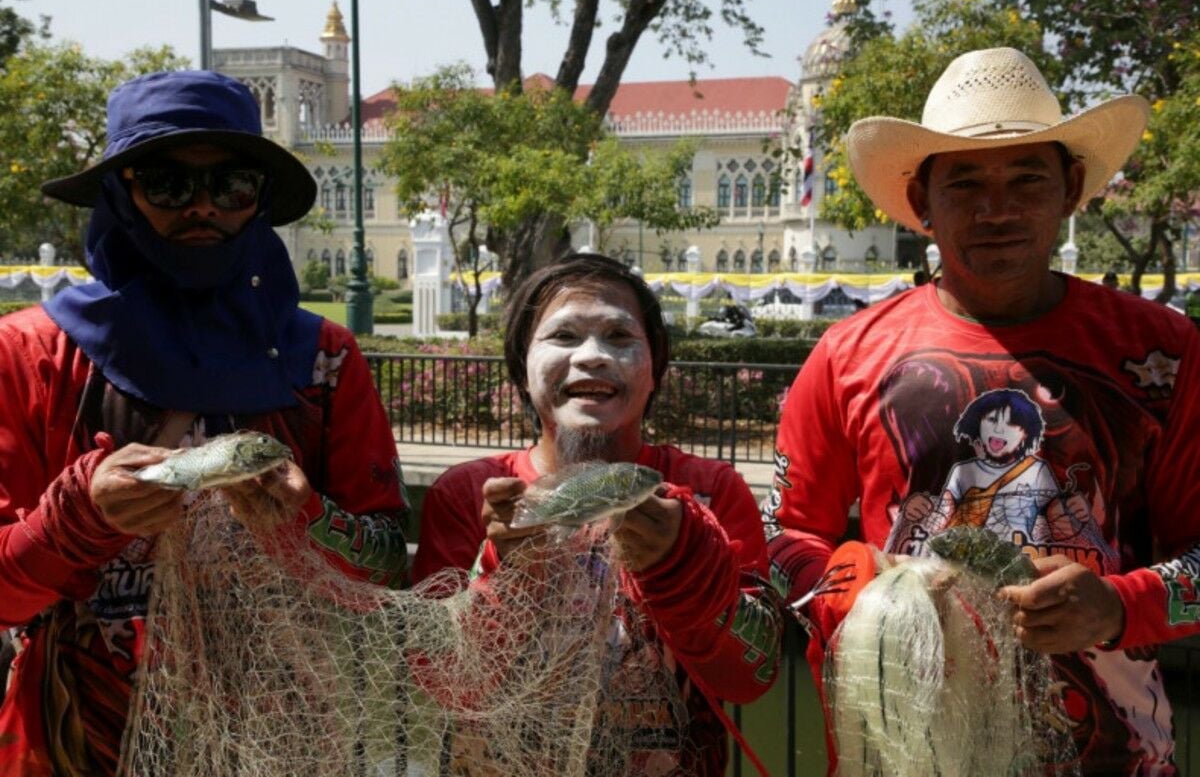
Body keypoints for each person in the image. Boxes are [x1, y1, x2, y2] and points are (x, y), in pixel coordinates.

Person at [764, 47, 1199, 775]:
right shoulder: (845, 356)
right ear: (922, 204)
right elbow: (780, 543)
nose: (997, 208)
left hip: (1118, 754)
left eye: (1027, 178)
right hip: (908, 745)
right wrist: (872, 591)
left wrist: (1119, 605)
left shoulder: (1163, 351)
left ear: (1071, 187)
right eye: (965, 183)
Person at [0, 71, 409, 777]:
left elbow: (386, 568)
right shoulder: (31, 355)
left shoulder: (324, 362)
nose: (202, 209)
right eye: (166, 184)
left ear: (259, 202)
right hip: (75, 741)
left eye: (232, 186)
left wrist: (305, 517)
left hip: (280, 741)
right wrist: (77, 516)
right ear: (119, 192)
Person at [413, 253, 781, 776]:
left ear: (656, 372)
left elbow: (752, 674)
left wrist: (684, 564)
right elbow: (444, 679)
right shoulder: (469, 494)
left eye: (619, 336)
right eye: (563, 337)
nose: (592, 356)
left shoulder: (711, 492)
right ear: (521, 367)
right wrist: (507, 570)